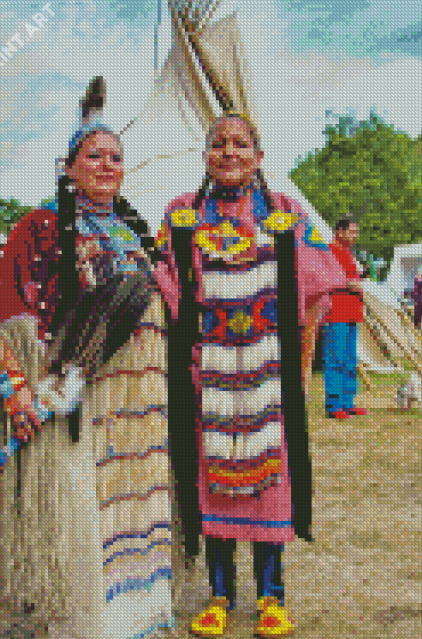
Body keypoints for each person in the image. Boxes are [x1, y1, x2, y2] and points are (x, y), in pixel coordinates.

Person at [0, 78, 172, 639]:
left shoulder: (139, 233)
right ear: (67, 166)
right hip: (77, 403)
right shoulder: (36, 228)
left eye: (116, 157)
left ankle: (138, 618)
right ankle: (86, 624)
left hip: (141, 406)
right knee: (83, 515)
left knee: (137, 508)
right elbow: (4, 314)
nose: (107, 165)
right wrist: (17, 388)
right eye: (94, 156)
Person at [154, 112, 347, 637]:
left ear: (259, 157)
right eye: (219, 144)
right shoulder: (182, 216)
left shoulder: (284, 211)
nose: (229, 152)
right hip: (209, 373)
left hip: (268, 372)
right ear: (206, 156)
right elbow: (163, 289)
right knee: (213, 476)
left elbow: (315, 290)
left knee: (271, 483)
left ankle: (271, 596)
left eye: (241, 144)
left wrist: (303, 364)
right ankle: (218, 595)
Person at [322, 218, 369, 419]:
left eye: (356, 232)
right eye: (351, 231)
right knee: (336, 358)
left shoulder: (349, 253)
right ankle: (333, 405)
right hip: (337, 313)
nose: (354, 235)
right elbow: (326, 278)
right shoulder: (330, 250)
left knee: (350, 359)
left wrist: (360, 280)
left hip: (352, 312)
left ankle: (348, 402)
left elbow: (351, 279)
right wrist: (350, 283)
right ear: (339, 231)